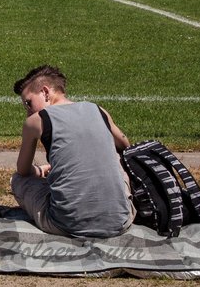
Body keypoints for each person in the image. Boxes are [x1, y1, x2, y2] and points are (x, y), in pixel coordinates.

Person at [11, 64, 134, 238]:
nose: (27, 111)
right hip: (120, 221)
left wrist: (39, 170)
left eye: (28, 103)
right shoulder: (98, 110)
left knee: (17, 180)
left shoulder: (36, 121)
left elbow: (23, 170)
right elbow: (125, 145)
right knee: (116, 157)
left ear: (45, 92)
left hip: (66, 224)